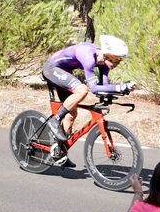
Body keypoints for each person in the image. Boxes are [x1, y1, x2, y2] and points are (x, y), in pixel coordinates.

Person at [41, 35, 134, 166]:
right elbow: (94, 88)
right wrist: (119, 87)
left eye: (120, 61)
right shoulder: (88, 56)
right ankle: (54, 120)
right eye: (115, 59)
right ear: (106, 53)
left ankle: (59, 151)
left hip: (65, 72)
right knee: (82, 90)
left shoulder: (105, 64)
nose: (116, 64)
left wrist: (123, 89)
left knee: (71, 114)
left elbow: (104, 87)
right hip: (51, 68)